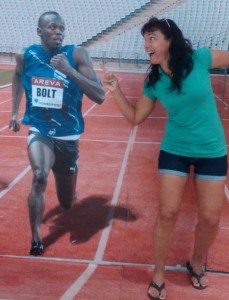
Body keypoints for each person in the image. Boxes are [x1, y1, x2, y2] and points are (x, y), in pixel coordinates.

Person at [103, 17, 229, 300]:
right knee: (167, 213)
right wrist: (116, 90)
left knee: (210, 218)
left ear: (169, 39)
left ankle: (196, 260)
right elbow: (136, 117)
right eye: (145, 39)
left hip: (212, 150)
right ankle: (158, 273)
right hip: (175, 150)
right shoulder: (154, 81)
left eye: (152, 37)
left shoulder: (200, 58)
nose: (146, 45)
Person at [9, 11, 105, 256]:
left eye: (61, 28)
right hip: (40, 130)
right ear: (40, 31)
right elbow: (18, 75)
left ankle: (70, 189)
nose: (58, 31)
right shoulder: (27, 55)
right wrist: (14, 112)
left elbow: (100, 95)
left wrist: (69, 70)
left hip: (68, 137)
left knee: (66, 203)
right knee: (39, 176)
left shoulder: (76, 55)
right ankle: (36, 239)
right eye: (52, 27)